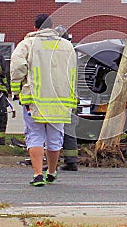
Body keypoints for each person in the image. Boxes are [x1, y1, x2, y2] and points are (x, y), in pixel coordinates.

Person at [10, 14, 77, 186]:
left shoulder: (28, 44)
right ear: (52, 27)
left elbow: (17, 67)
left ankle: (38, 174)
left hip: (35, 100)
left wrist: (15, 89)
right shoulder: (67, 46)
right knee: (55, 138)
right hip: (60, 100)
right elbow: (73, 72)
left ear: (35, 28)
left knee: (35, 136)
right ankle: (52, 172)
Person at [54, 25, 79, 172]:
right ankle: (71, 161)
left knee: (54, 131)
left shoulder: (57, 55)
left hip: (58, 98)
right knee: (69, 131)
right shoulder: (71, 53)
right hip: (71, 99)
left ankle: (54, 162)